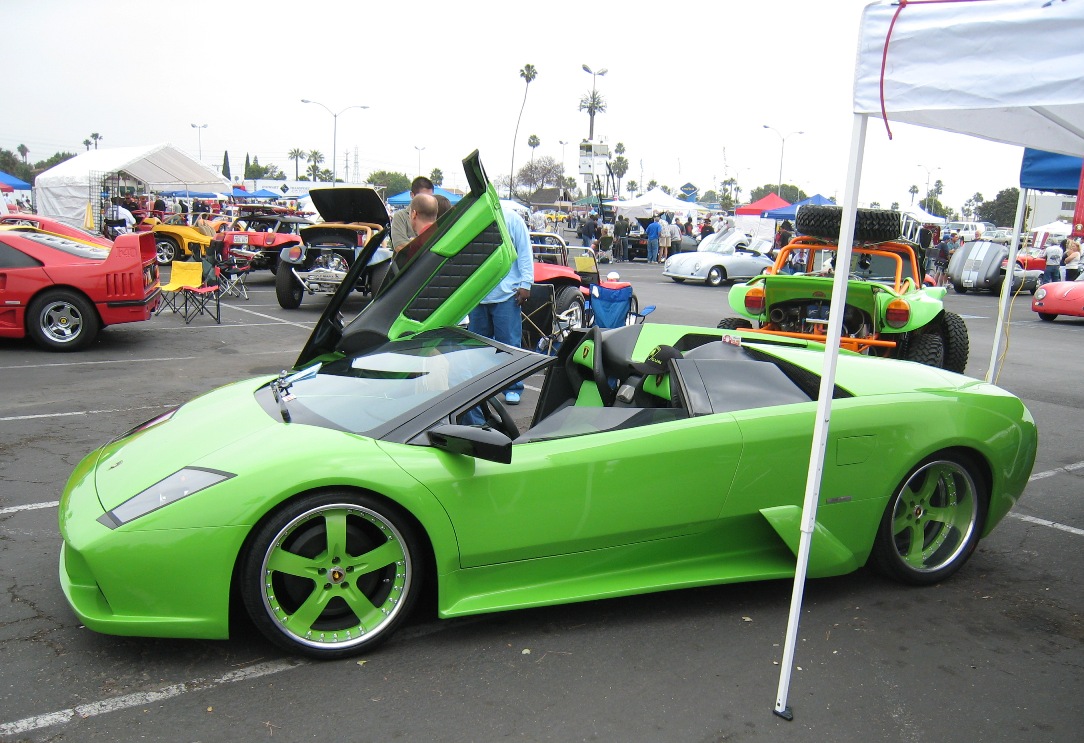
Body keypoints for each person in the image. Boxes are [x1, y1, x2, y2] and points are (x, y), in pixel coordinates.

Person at [467, 206, 534, 405]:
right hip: (477, 295)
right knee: (477, 347)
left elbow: (524, 251)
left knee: (509, 345)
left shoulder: (512, 219)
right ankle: (479, 389)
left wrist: (526, 283)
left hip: (507, 294)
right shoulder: (473, 219)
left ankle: (513, 388)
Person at [391, 176, 434, 250]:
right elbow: (399, 246)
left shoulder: (435, 215)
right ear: (412, 195)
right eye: (422, 197)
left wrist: (412, 241)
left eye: (430, 197)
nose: (426, 200)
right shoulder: (401, 216)